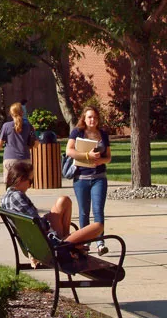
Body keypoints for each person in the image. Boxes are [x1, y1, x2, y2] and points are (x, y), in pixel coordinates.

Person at [1, 161, 104, 250]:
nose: (30, 185)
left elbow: (34, 222)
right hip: (49, 244)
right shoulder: (17, 197)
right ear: (20, 179)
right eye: (30, 181)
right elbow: (39, 226)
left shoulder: (7, 197)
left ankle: (67, 241)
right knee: (98, 226)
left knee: (64, 201)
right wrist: (47, 221)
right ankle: (67, 245)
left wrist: (47, 218)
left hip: (41, 240)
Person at [65, 105, 112, 256]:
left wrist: (101, 161)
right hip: (81, 178)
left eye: (95, 117)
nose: (92, 120)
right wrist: (87, 156)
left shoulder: (103, 134)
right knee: (84, 212)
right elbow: (69, 151)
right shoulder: (77, 132)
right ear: (84, 119)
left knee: (98, 210)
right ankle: (84, 243)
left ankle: (100, 243)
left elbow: (109, 157)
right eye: (89, 117)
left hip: (99, 177)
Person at [0, 102, 37, 183]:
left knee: (10, 184)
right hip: (25, 159)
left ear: (11, 113)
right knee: (23, 183)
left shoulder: (6, 126)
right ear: (22, 113)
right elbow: (36, 144)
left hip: (10, 159)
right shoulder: (29, 126)